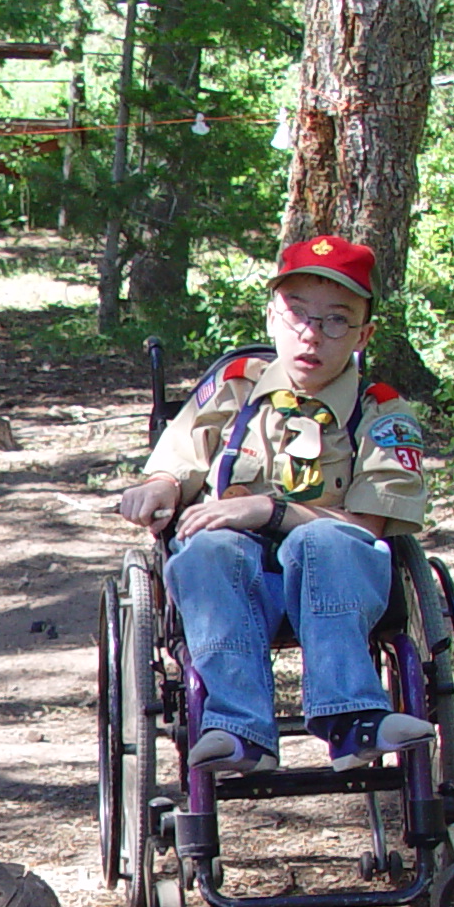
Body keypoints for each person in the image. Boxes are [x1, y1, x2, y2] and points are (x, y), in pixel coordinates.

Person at [115, 235, 433, 775]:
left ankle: (354, 719)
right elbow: (179, 460)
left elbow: (371, 523)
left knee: (324, 540)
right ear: (271, 317)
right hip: (239, 587)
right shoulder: (236, 389)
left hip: (340, 587)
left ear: (364, 333)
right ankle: (237, 728)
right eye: (298, 315)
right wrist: (160, 487)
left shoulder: (380, 411)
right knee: (205, 551)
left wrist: (268, 511)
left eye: (337, 320)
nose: (312, 334)